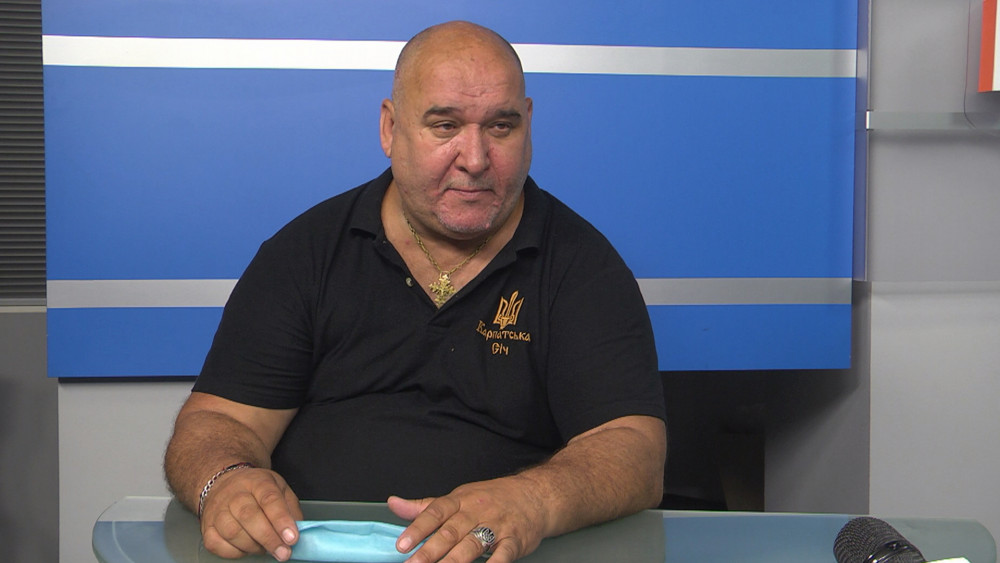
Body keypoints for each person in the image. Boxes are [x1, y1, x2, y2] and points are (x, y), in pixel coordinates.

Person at [164, 20, 666, 563]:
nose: (475, 159)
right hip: (309, 553)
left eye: (501, 127)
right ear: (390, 128)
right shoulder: (304, 253)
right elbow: (219, 422)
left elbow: (633, 450)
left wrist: (533, 499)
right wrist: (227, 481)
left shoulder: (582, 266)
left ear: (528, 125)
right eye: (445, 126)